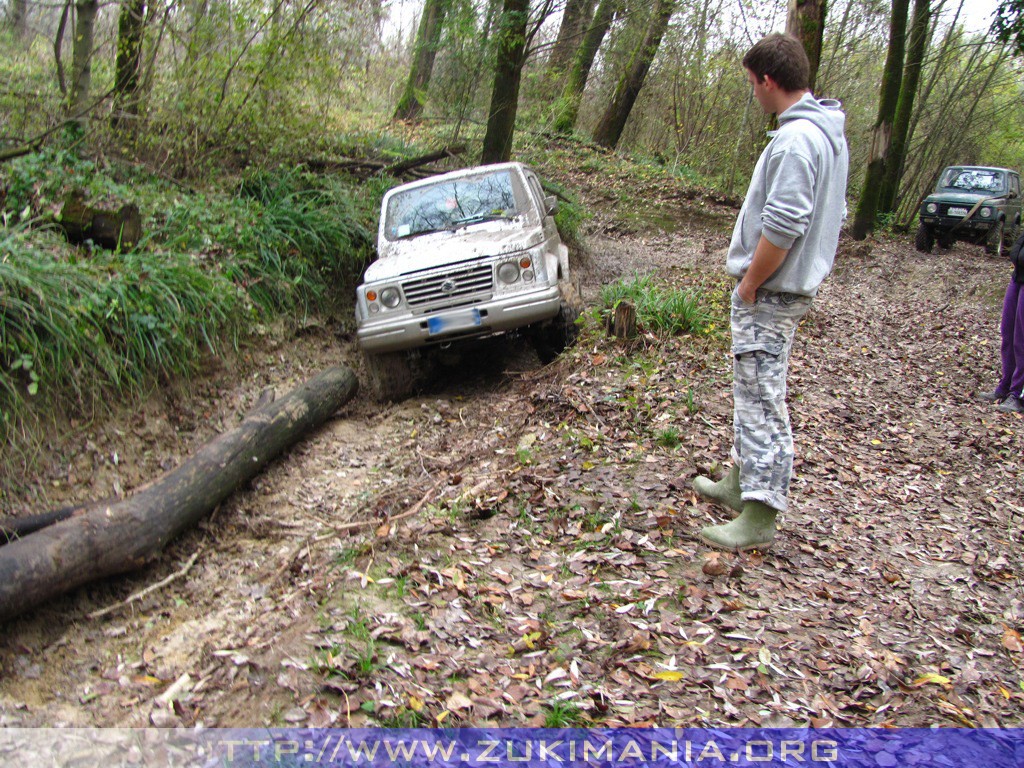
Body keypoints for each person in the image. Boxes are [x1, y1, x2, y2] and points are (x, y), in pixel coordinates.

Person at [692, 33, 849, 551]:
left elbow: (783, 227)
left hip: (773, 292)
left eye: (751, 84)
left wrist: (751, 283)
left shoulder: (799, 141)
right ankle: (742, 483)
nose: (752, 94)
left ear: (768, 80)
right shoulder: (821, 133)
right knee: (751, 391)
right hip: (781, 290)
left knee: (763, 398)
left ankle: (760, 515)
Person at [979, 231, 1024, 413]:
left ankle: (1018, 394)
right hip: (1018, 278)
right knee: (1008, 333)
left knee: (1022, 339)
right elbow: (1016, 247)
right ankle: (1005, 386)